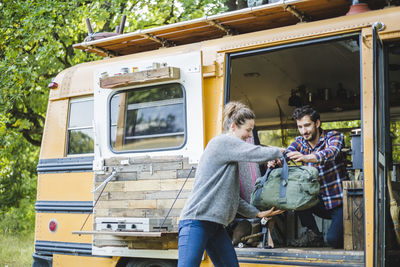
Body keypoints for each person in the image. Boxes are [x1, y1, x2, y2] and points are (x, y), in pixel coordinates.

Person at [178, 101, 285, 267]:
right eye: (248, 130)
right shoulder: (222, 142)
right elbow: (255, 152)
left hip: (215, 226)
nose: (250, 136)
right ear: (234, 126)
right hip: (196, 222)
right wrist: (282, 151)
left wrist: (257, 214)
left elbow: (233, 198)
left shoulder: (231, 158)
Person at [283, 105, 347, 248]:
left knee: (333, 241)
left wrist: (306, 157)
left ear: (317, 123)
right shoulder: (300, 141)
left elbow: (330, 153)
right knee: (295, 194)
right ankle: (314, 234)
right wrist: (277, 158)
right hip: (316, 201)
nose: (304, 131)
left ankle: (342, 233)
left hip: (338, 203)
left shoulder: (334, 136)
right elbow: (287, 152)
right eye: (300, 127)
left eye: (307, 125)